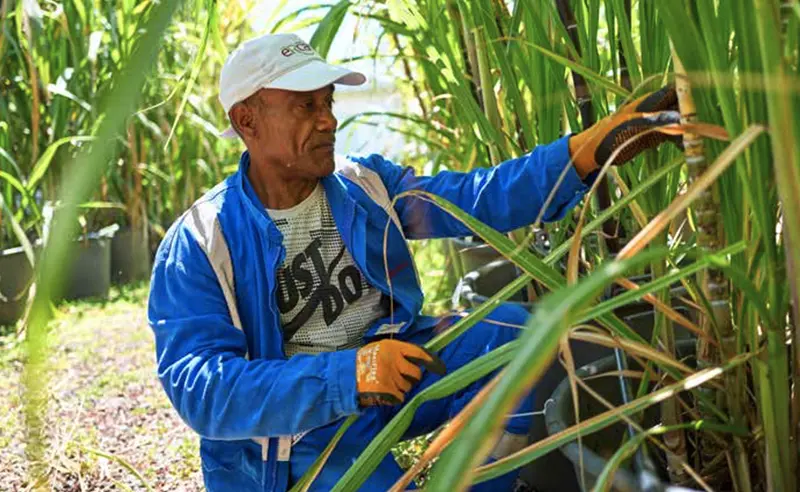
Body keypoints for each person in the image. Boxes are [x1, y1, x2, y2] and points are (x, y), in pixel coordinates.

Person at [148, 33, 680, 491]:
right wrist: (349, 376)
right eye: (305, 106)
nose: (328, 120)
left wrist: (591, 149)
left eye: (328, 101)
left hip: (392, 372)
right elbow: (203, 388)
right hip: (298, 435)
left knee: (514, 339)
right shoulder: (202, 240)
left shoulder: (363, 186)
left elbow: (477, 198)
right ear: (247, 120)